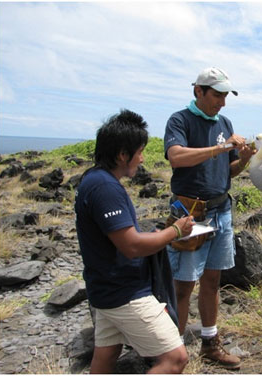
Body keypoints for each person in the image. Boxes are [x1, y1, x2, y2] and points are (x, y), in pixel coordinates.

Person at [75, 109, 194, 374]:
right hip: (124, 292)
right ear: (122, 154)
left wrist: (159, 234)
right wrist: (175, 231)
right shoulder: (104, 188)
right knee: (175, 358)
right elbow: (131, 246)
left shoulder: (95, 180)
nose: (142, 159)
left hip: (105, 288)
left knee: (105, 358)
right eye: (139, 151)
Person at [163, 67, 254, 370]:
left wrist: (244, 158)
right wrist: (220, 147)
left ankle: (209, 344)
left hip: (221, 210)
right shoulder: (180, 120)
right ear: (198, 92)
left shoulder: (224, 122)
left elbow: (227, 171)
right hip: (191, 213)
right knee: (183, 284)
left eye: (226, 96)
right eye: (217, 95)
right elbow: (176, 156)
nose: (223, 102)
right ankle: (172, 352)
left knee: (213, 280)